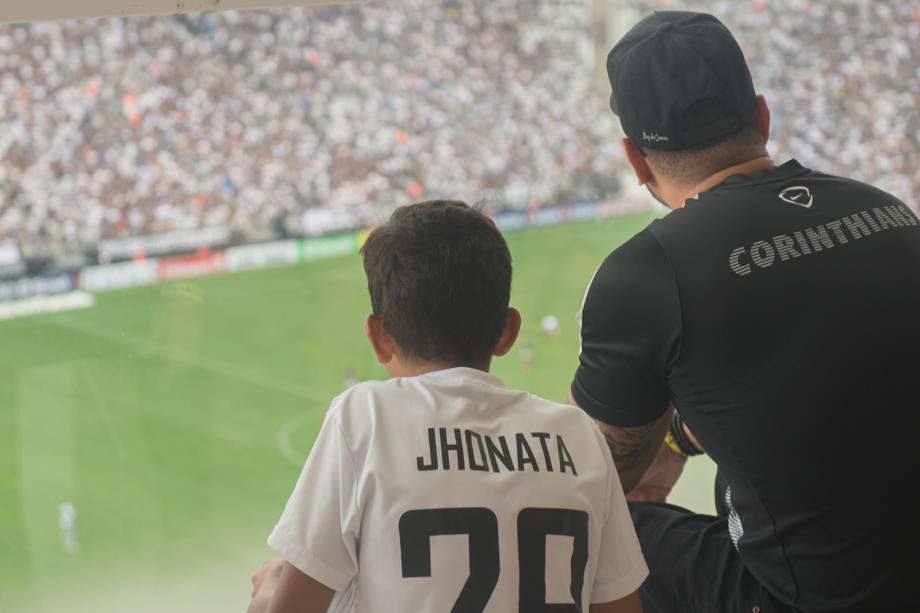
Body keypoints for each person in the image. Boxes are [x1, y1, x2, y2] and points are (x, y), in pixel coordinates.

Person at [569, 11, 920, 613]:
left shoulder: (649, 271)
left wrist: (664, 442)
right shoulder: (890, 213)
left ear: (634, 158)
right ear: (761, 115)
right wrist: (683, 434)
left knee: (603, 527)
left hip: (806, 598)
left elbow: (590, 477)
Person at [249, 201, 647, 613]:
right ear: (508, 331)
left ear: (379, 337)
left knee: (273, 584)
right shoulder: (579, 435)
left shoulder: (365, 416)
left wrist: (268, 596)